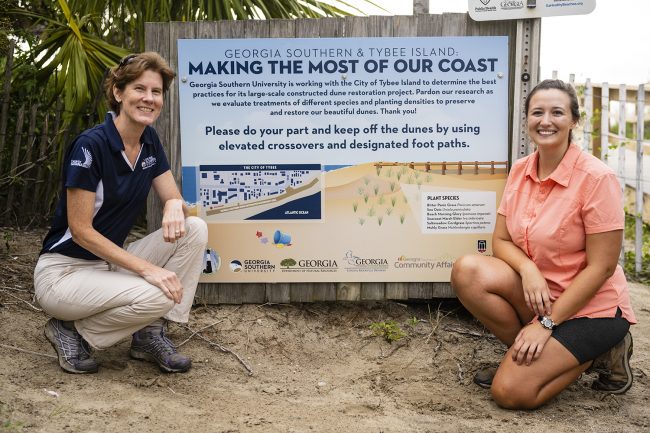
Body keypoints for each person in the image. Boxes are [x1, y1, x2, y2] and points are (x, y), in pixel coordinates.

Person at [451, 79, 636, 409]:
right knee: (468, 270)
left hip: (590, 309)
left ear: (573, 121)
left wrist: (547, 324)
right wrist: (528, 269)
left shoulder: (597, 178)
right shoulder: (521, 169)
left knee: (509, 393)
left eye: (557, 112)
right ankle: (533, 358)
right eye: (537, 112)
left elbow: (602, 267)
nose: (546, 121)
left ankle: (598, 353)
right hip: (540, 295)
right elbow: (501, 240)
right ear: (527, 120)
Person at [34, 52, 208, 374]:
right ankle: (71, 330)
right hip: (64, 273)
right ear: (118, 92)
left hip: (108, 265)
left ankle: (148, 334)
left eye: (156, 92)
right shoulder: (91, 146)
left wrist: (172, 203)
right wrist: (148, 270)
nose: (149, 98)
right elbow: (81, 230)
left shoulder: (149, 141)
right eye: (140, 89)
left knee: (194, 228)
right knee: (159, 294)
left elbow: (175, 200)